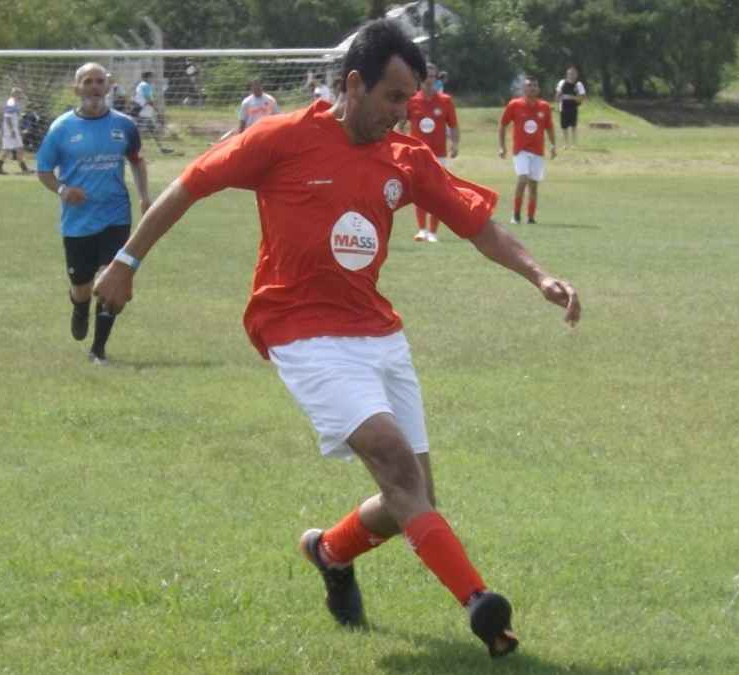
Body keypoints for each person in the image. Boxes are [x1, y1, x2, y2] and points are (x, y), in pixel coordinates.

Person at [93, 19, 579, 658]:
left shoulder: (405, 158)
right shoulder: (282, 138)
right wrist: (125, 264)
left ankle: (329, 552)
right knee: (394, 461)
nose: (403, 113)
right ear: (354, 83)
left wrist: (540, 275)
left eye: (410, 100)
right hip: (300, 330)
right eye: (393, 97)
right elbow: (191, 185)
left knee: (413, 497)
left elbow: (480, 227)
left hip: (377, 332)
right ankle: (480, 605)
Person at [36, 63, 151, 364]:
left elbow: (137, 161)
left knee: (113, 283)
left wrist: (144, 198)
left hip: (116, 217)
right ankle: (78, 305)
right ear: (77, 88)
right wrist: (63, 191)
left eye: (100, 81)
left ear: (108, 86)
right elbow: (44, 170)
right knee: (82, 287)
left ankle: (98, 350)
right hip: (77, 223)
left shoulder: (124, 125)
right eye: (88, 82)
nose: (95, 87)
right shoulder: (61, 128)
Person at [400, 62, 459, 243]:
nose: (429, 80)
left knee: (438, 193)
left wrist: (455, 144)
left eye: (432, 76)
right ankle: (422, 230)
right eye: (426, 76)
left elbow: (453, 125)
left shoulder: (445, 101)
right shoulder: (411, 101)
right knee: (419, 192)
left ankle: (433, 232)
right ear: (420, 78)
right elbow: (399, 123)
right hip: (417, 154)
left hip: (439, 154)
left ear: (435, 79)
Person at [498, 77, 556, 224]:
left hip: (537, 151)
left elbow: (549, 127)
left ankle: (530, 218)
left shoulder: (544, 107)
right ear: (524, 89)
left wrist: (553, 145)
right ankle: (516, 215)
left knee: (534, 185)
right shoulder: (514, 105)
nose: (532, 88)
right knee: (522, 179)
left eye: (535, 86)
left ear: (538, 89)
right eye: (529, 86)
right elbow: (503, 124)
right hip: (520, 150)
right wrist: (502, 146)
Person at [131, 71, 174, 154]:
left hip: (144, 112)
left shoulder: (141, 85)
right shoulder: (145, 85)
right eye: (151, 77)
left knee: (153, 131)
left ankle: (162, 149)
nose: (153, 79)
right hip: (143, 113)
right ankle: (131, 151)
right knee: (138, 133)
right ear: (147, 77)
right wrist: (157, 110)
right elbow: (148, 100)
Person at [0, 87, 33, 175]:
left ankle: (23, 169)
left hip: (12, 129)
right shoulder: (11, 102)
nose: (21, 95)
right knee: (9, 149)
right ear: (15, 94)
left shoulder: (14, 102)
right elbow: (7, 117)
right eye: (20, 94)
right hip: (9, 130)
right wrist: (12, 129)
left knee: (17, 148)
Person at [554, 66, 587, 148]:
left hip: (573, 107)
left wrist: (572, 97)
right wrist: (560, 97)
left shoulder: (579, 84)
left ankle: (574, 144)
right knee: (564, 126)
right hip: (563, 106)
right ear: (567, 74)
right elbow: (556, 97)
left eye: (573, 74)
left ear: (576, 75)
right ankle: (565, 144)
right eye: (569, 73)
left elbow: (582, 99)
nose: (571, 75)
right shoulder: (562, 83)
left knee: (573, 126)